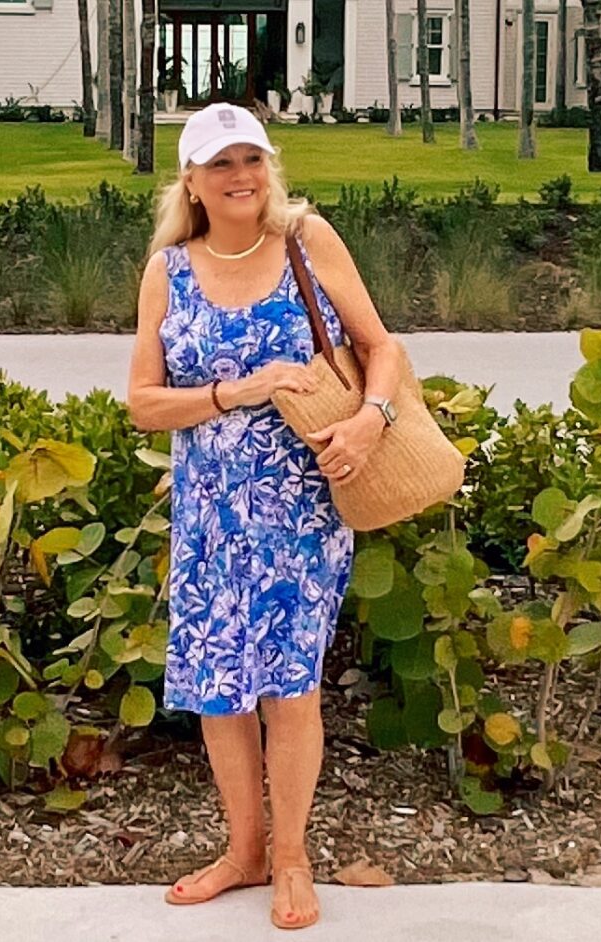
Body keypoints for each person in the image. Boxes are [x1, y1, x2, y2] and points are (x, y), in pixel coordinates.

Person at [126, 102, 402, 930]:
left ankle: (289, 857)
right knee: (219, 693)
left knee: (289, 689)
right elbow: (142, 403)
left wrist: (367, 421)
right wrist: (229, 393)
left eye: (251, 157)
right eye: (220, 163)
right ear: (193, 181)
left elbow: (381, 347)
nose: (241, 175)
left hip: (304, 510)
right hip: (210, 519)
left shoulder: (306, 242)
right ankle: (243, 849)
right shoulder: (168, 271)